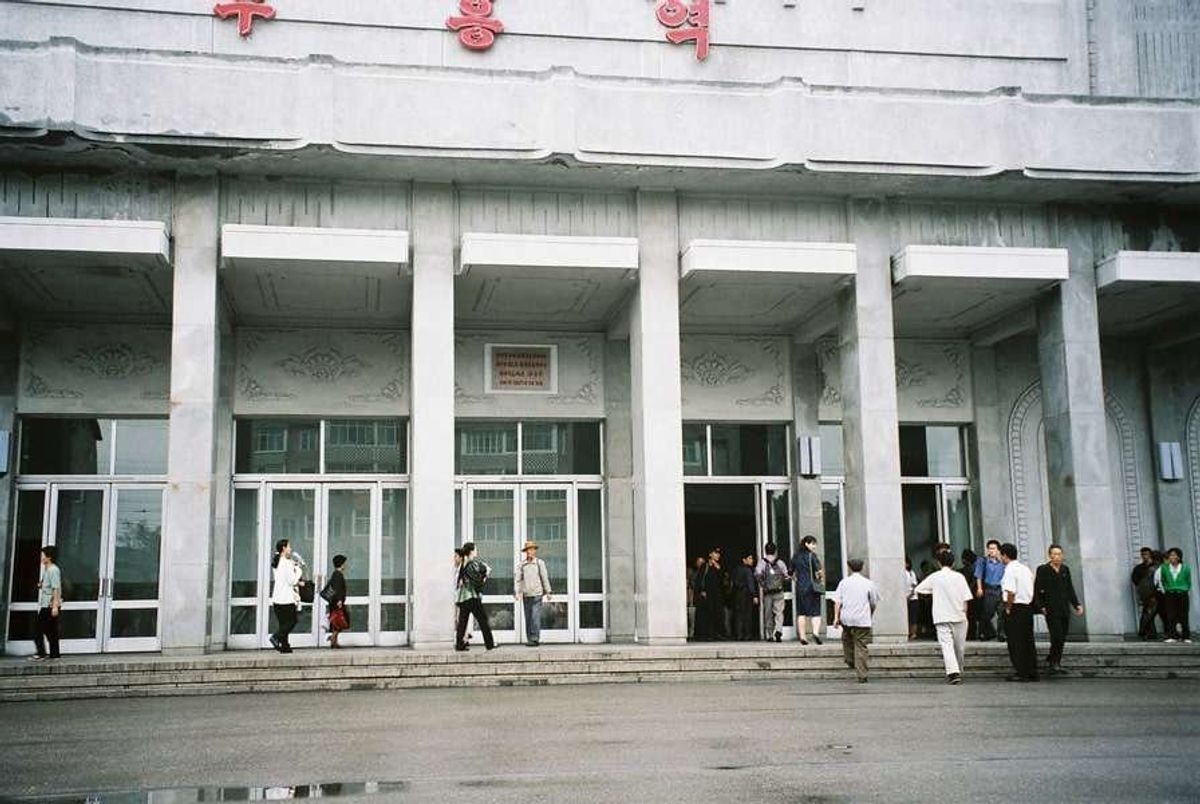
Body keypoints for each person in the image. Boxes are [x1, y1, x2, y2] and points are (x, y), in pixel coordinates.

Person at [915, 550, 973, 684]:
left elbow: (919, 589)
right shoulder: (959, 577)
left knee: (946, 645)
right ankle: (957, 670)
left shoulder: (935, 577)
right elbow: (966, 598)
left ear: (939, 562)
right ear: (953, 563)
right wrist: (965, 614)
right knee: (959, 646)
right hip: (959, 615)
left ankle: (953, 672)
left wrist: (933, 592)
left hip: (941, 615)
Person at [1034, 544, 1084, 675]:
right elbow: (1037, 589)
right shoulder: (1043, 569)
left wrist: (1076, 604)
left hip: (1064, 607)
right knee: (1056, 635)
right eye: (1054, 554)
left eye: (1059, 554)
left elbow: (1069, 588)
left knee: (1062, 635)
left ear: (1062, 555)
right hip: (1051, 608)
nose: (1057, 556)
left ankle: (1054, 658)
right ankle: (1054, 662)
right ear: (1050, 555)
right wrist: (1041, 606)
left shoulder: (1065, 570)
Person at [832, 558, 879, 684]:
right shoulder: (869, 583)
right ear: (862, 567)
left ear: (849, 567)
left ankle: (850, 660)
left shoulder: (844, 582)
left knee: (846, 638)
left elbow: (837, 601)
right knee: (861, 646)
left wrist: (836, 617)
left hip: (846, 617)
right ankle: (862, 674)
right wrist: (870, 614)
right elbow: (873, 602)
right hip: (862, 619)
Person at [999, 542, 1038, 682]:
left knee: (1016, 642)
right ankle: (1032, 670)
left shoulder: (1010, 570)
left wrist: (1008, 608)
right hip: (1027, 607)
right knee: (1028, 641)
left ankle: (1021, 671)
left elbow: (1011, 591)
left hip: (1016, 608)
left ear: (1004, 555)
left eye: (1001, 555)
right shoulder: (1025, 569)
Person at [455, 542, 496, 652]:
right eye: (475, 549)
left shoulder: (464, 563)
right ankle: (490, 644)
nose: (477, 551)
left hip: (463, 597)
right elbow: (477, 581)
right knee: (483, 620)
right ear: (471, 551)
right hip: (472, 596)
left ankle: (459, 644)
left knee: (462, 622)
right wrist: (485, 575)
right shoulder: (472, 564)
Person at [514, 540, 552, 647]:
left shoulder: (540, 563)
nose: (530, 552)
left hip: (537, 594)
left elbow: (544, 577)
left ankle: (535, 638)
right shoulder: (522, 565)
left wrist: (548, 591)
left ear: (535, 551)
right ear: (525, 552)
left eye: (532, 549)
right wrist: (517, 592)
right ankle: (530, 638)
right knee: (528, 617)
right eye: (528, 550)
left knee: (535, 617)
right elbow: (518, 579)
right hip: (526, 595)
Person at [270, 538, 304, 653]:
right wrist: (298, 569)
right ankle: (276, 637)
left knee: (283, 623)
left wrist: (292, 566)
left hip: (277, 598)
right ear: (284, 548)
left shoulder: (277, 561)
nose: (291, 549)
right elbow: (292, 581)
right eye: (289, 546)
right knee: (292, 621)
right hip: (286, 599)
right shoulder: (285, 562)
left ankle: (285, 646)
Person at [791, 536, 825, 645]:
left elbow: (790, 572)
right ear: (806, 544)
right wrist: (821, 579)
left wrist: (796, 580)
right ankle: (815, 633)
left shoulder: (796, 556)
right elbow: (819, 571)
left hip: (801, 587)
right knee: (816, 612)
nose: (814, 546)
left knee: (801, 613)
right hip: (812, 587)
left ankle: (803, 637)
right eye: (813, 543)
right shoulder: (812, 556)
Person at [755, 542, 790, 642]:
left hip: (767, 592)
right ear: (775, 551)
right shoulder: (780, 562)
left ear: (765, 551)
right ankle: (778, 630)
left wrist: (763, 584)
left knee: (768, 613)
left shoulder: (762, 562)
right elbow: (786, 576)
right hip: (779, 591)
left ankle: (770, 635)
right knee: (779, 612)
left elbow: (757, 574)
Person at [31, 545, 62, 661]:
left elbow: (56, 589)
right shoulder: (48, 570)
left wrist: (54, 606)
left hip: (49, 606)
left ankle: (41, 653)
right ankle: (55, 654)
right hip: (47, 605)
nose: (41, 557)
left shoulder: (53, 570)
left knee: (37, 630)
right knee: (51, 631)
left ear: (49, 557)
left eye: (43, 555)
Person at [1157, 547, 1193, 643]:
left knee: (1184, 615)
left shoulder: (1186, 567)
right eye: (1170, 555)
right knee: (1170, 615)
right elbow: (1163, 580)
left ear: (1179, 557)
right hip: (1170, 593)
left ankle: (1186, 636)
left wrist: (1184, 588)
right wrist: (1167, 589)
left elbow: (1188, 581)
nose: (1171, 557)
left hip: (1182, 593)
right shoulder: (1164, 567)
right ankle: (1172, 635)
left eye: (1174, 555)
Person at [974, 540, 1007, 641]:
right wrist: (979, 588)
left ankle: (1001, 634)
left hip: (1000, 589)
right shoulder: (983, 561)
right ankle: (983, 633)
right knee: (987, 613)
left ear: (998, 550)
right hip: (989, 589)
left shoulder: (1002, 562)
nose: (991, 551)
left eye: (994, 549)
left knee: (1002, 613)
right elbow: (978, 575)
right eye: (989, 548)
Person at [695, 547, 727, 641]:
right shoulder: (705, 566)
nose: (717, 555)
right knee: (707, 614)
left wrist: (718, 568)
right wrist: (702, 590)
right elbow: (700, 580)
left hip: (717, 594)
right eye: (715, 553)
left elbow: (723, 580)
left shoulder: (720, 566)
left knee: (718, 613)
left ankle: (718, 633)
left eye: (718, 554)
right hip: (707, 594)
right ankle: (707, 634)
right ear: (710, 554)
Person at [1131, 547, 1160, 640]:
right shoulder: (1139, 568)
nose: (1144, 556)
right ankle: (1150, 634)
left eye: (1146, 554)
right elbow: (1135, 579)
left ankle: (1146, 633)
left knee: (1149, 614)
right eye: (1143, 554)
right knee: (1148, 614)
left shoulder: (1157, 567)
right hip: (1146, 594)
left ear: (1150, 554)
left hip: (1157, 593)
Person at [731, 551, 758, 641]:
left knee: (739, 615)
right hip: (746, 594)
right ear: (744, 560)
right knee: (747, 615)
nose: (752, 560)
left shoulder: (736, 569)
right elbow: (750, 583)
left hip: (738, 594)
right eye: (750, 558)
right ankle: (747, 634)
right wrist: (754, 595)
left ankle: (739, 634)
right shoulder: (748, 570)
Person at [324, 553, 349, 649]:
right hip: (337, 603)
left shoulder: (336, 574)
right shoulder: (338, 575)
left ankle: (334, 641)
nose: (345, 565)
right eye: (344, 563)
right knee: (340, 622)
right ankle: (333, 639)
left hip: (334, 602)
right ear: (341, 564)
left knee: (337, 623)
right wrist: (339, 600)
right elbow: (337, 588)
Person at [960, 548, 979, 640]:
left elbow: (968, 582)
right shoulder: (976, 568)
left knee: (970, 616)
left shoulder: (968, 569)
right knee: (973, 616)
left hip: (969, 595)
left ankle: (970, 634)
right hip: (974, 595)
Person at [904, 557, 919, 640]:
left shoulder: (911, 573)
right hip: (905, 597)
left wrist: (910, 596)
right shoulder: (903, 572)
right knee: (908, 617)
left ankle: (913, 633)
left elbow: (914, 585)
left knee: (913, 617)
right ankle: (909, 632)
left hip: (912, 598)